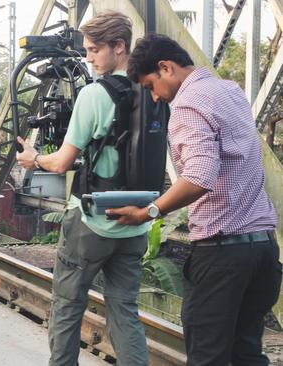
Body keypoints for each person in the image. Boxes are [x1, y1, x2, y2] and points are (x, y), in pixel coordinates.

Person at [106, 33, 281, 366]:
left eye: (151, 86)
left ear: (165, 67)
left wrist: (148, 212)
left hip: (222, 255)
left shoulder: (187, 104)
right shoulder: (229, 90)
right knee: (246, 354)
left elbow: (200, 177)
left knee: (207, 357)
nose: (155, 97)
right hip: (263, 251)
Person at [16, 11, 149, 365]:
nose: (88, 57)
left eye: (93, 50)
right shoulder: (151, 90)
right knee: (125, 310)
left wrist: (34, 160)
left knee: (67, 305)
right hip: (136, 220)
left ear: (118, 47)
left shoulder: (94, 93)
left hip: (92, 220)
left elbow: (60, 162)